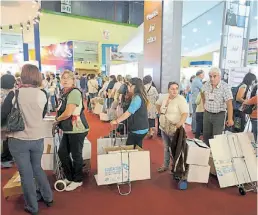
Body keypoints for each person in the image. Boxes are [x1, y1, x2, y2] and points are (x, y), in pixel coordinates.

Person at [2, 64, 53, 215]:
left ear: (22, 76)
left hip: (18, 140)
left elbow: (2, 115)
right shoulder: (43, 93)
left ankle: (32, 206)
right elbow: (42, 114)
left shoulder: (14, 94)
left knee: (26, 174)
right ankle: (48, 197)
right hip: (38, 138)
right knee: (37, 168)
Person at [55, 70, 89, 191]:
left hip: (77, 129)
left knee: (76, 155)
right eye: (62, 78)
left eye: (68, 78)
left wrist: (57, 120)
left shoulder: (74, 92)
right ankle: (69, 177)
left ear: (73, 80)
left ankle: (77, 179)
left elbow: (68, 112)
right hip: (69, 129)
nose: (65, 80)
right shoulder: (65, 92)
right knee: (62, 153)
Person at [156, 82, 189, 173]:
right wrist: (160, 113)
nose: (175, 91)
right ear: (168, 90)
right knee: (166, 147)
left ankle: (175, 167)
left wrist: (180, 123)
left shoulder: (181, 99)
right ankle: (165, 165)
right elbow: (157, 104)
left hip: (175, 129)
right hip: (163, 127)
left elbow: (185, 113)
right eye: (172, 89)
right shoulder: (164, 97)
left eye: (176, 88)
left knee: (175, 149)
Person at [111, 78, 149, 148]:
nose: (128, 87)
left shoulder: (137, 97)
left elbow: (129, 112)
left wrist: (117, 121)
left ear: (135, 86)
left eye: (129, 85)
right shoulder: (141, 95)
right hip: (143, 127)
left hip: (138, 128)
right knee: (137, 147)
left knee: (129, 148)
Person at [201, 67, 234, 146]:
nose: (212, 78)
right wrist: (204, 105)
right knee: (206, 136)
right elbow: (202, 93)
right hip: (207, 113)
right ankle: (206, 155)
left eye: (214, 76)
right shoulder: (207, 84)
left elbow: (229, 104)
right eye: (210, 76)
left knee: (217, 138)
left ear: (219, 76)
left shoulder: (225, 87)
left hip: (219, 115)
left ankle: (215, 156)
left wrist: (230, 119)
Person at [1, 74, 16, 166]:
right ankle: (6, 158)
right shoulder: (13, 92)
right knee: (7, 139)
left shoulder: (10, 93)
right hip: (9, 120)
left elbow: (4, 110)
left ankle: (6, 158)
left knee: (6, 139)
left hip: (6, 120)